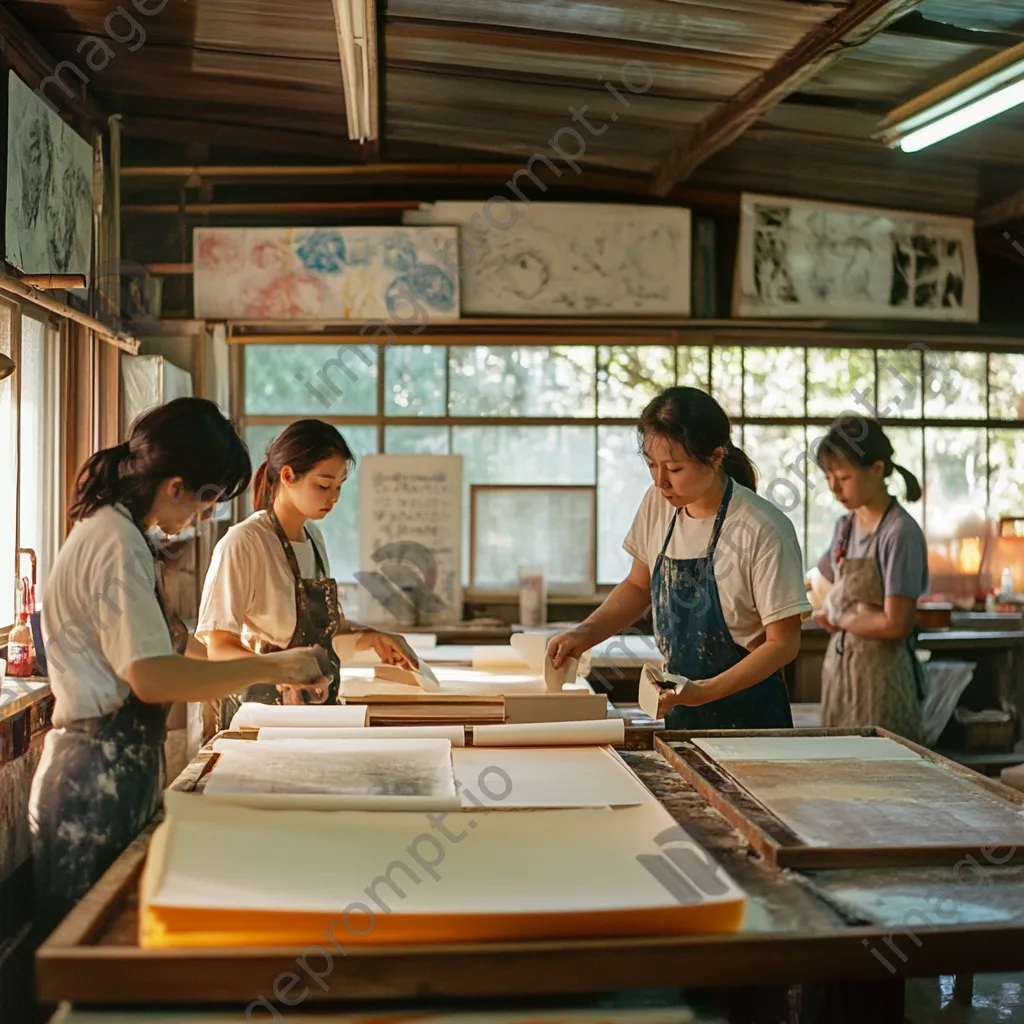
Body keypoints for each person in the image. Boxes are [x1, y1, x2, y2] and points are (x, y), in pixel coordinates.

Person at [29, 399, 329, 937]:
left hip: (119, 763)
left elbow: (178, 644)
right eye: (207, 500)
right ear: (175, 486)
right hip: (93, 774)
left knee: (116, 939)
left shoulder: (126, 536)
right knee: (90, 953)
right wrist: (275, 663)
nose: (206, 516)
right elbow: (152, 676)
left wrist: (270, 667)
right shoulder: (114, 542)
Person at [549, 387, 809, 728]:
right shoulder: (657, 505)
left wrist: (703, 691)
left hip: (751, 719)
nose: (660, 481)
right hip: (681, 708)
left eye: (673, 468)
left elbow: (783, 644)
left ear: (715, 457)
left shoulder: (762, 528)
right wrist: (584, 634)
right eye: (651, 464)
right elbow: (637, 586)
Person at [196, 419, 415, 724]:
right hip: (261, 719)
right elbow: (218, 648)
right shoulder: (244, 542)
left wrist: (372, 638)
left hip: (317, 714)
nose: (334, 497)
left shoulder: (313, 537)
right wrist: (278, 670)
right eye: (324, 484)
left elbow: (322, 632)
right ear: (287, 475)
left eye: (339, 486)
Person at [814, 415, 928, 740]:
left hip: (883, 681)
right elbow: (822, 578)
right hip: (840, 672)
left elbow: (895, 624)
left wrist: (842, 616)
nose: (835, 488)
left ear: (877, 469)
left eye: (844, 477)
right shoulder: (844, 527)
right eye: (829, 478)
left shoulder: (899, 532)